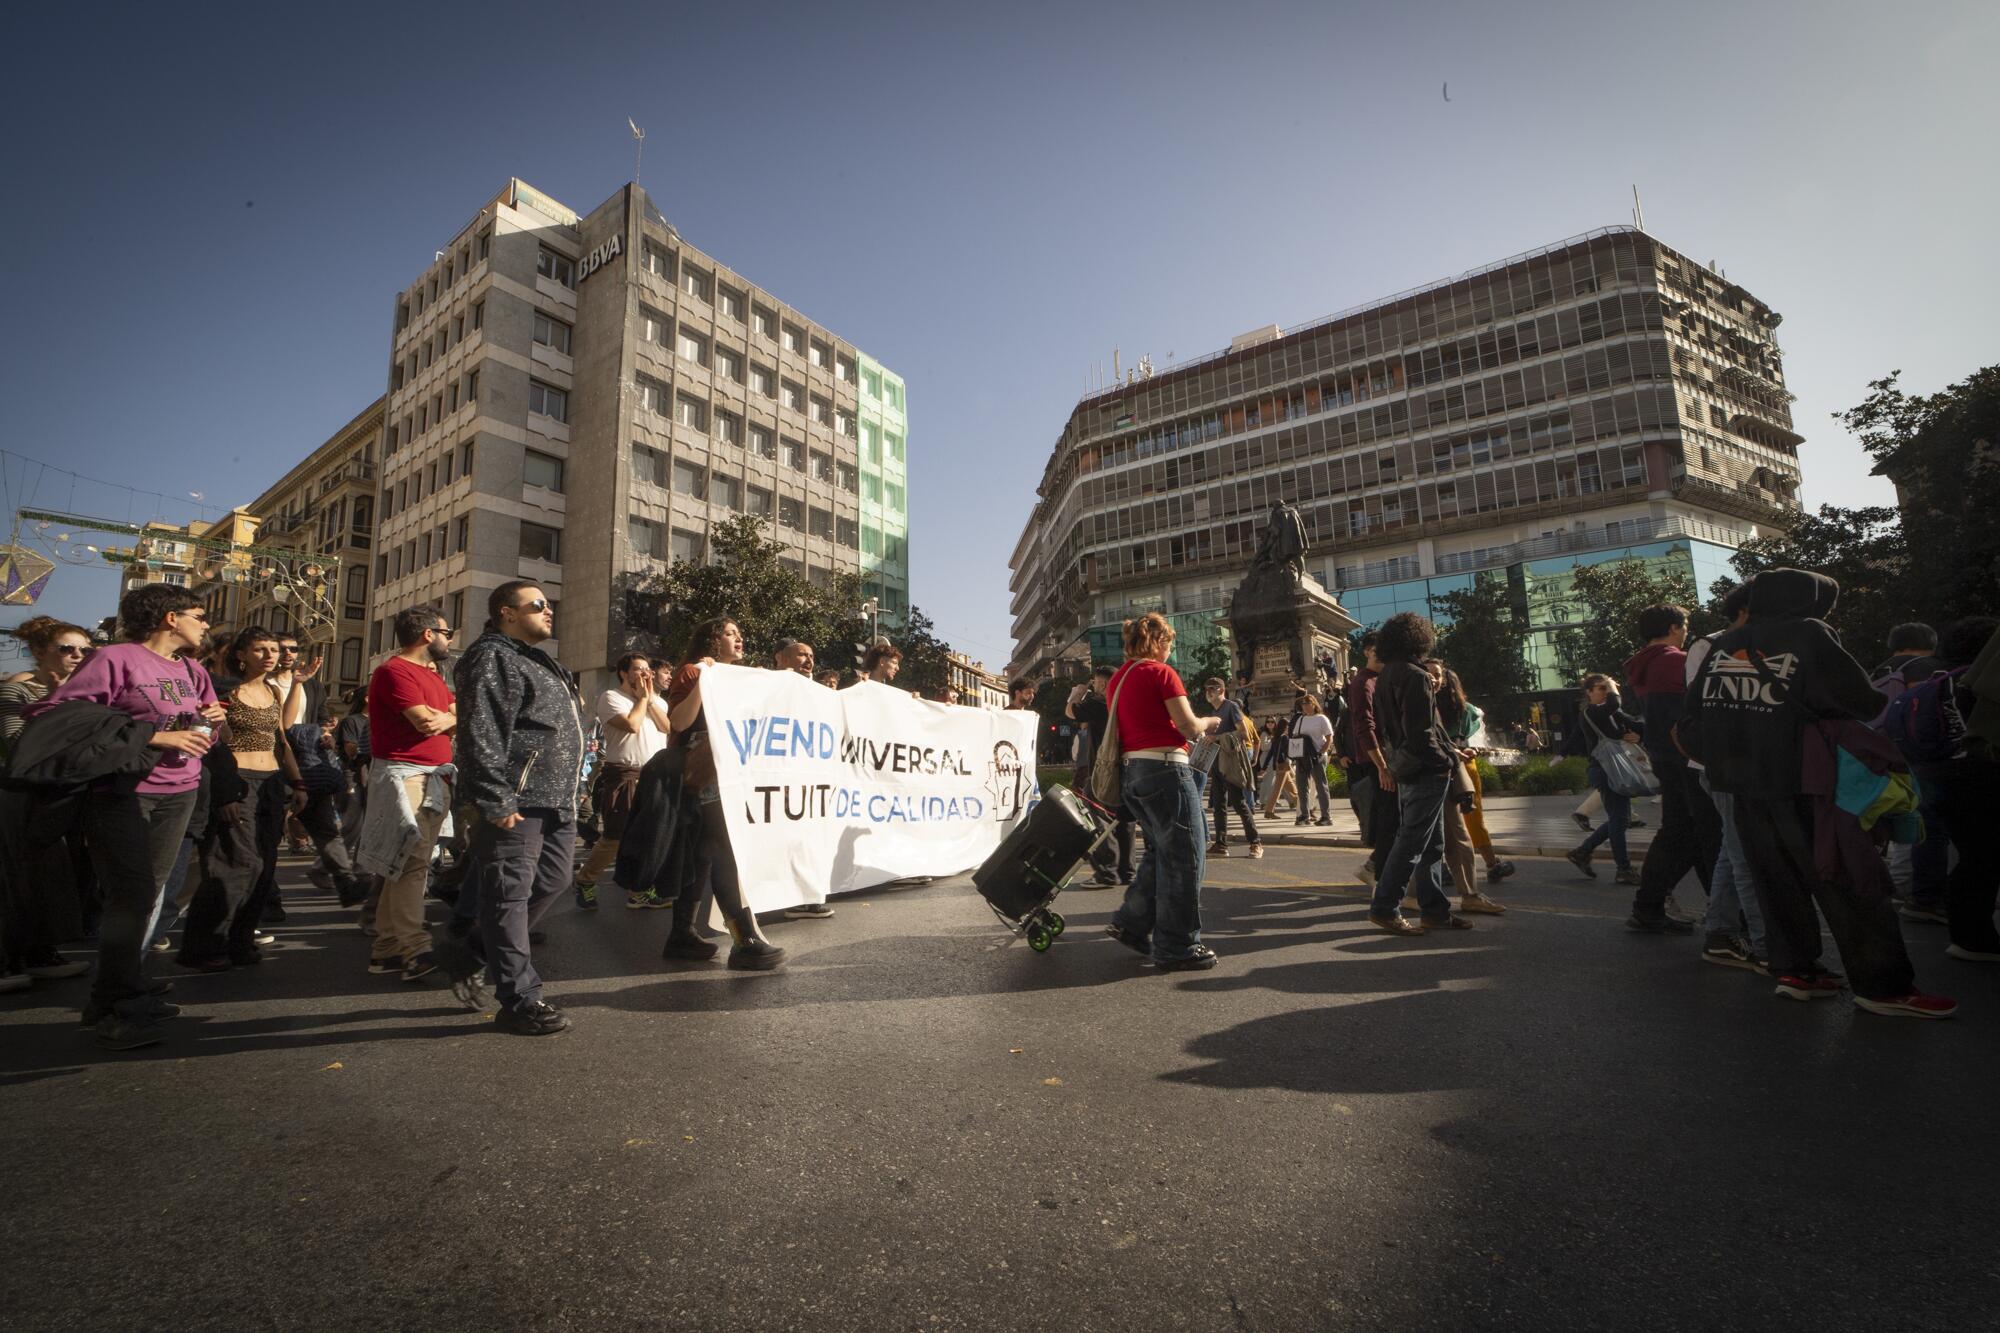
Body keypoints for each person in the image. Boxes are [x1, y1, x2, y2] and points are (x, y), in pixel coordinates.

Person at [1683, 567, 1953, 1016]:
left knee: (1776, 884)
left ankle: (1797, 972)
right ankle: (1884, 988)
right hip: (1808, 783)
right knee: (1848, 879)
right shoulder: (1809, 634)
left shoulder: (1725, 644)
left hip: (1745, 788)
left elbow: (1690, 720)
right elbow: (1865, 701)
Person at [43, 584, 223, 1048]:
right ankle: (118, 1005)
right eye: (199, 615)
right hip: (123, 792)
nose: (205, 624)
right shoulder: (115, 659)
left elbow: (199, 734)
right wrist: (156, 738)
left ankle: (114, 994)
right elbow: (64, 715)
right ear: (170, 618)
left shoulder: (193, 669)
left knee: (149, 895)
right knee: (131, 895)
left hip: (180, 792)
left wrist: (210, 724)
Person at [457, 583, 588, 1034]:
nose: (549, 611)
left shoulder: (539, 661)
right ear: (507, 613)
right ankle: (519, 1000)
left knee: (554, 880)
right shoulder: (492, 656)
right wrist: (496, 795)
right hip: (518, 800)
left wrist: (579, 789)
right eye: (538, 605)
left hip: (558, 800)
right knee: (509, 896)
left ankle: (477, 944)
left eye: (550, 604)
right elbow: (481, 729)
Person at [178, 627, 307, 971]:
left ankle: (241, 939)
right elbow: (209, 740)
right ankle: (203, 945)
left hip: (272, 783)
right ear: (241, 655)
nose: (270, 656)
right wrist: (223, 789)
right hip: (236, 782)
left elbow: (281, 739)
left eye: (274, 650)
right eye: (260, 649)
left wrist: (297, 782)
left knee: (263, 867)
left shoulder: (272, 693)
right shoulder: (224, 692)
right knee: (234, 863)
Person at [665, 617, 786, 971]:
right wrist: (705, 679)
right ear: (712, 639)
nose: (740, 639)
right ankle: (744, 939)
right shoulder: (692, 671)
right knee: (725, 853)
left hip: (729, 777)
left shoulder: (736, 678)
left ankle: (681, 934)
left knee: (703, 856)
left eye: (740, 634)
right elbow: (679, 722)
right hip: (705, 779)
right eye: (731, 633)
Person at [1102, 613, 1221, 971]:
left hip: (1134, 773)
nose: (1171, 650)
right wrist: (1210, 722)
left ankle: (1132, 922)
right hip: (1167, 770)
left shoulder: (1118, 680)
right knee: (1187, 858)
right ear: (1158, 642)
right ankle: (1177, 945)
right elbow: (1187, 726)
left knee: (1160, 853)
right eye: (1170, 643)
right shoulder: (1160, 673)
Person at [353, 607, 457, 982]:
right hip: (406, 777)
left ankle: (385, 950)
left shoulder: (431, 675)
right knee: (411, 865)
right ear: (428, 634)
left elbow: (452, 712)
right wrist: (445, 718)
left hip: (431, 777)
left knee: (401, 865)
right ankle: (416, 950)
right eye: (448, 631)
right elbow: (427, 722)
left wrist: (446, 717)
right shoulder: (393, 671)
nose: (450, 638)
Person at [0, 616, 99, 987]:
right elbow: (18, 745)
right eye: (67, 648)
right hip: (23, 795)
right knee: (16, 879)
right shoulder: (17, 692)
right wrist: (58, 702)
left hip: (68, 795)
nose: (77, 655)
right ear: (40, 652)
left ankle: (40, 954)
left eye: (84, 650)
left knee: (55, 877)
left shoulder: (86, 693)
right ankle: (7, 962)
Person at [1365, 613, 1472, 936]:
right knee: (1413, 841)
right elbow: (1421, 732)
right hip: (1426, 768)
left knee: (1431, 843)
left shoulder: (1384, 677)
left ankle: (1435, 910)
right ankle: (1385, 906)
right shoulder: (1416, 675)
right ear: (1419, 639)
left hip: (1405, 766)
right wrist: (1444, 760)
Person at [1904, 616, 1999, 965]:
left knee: (1974, 858)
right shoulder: (1983, 684)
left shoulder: (1939, 681)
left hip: (1937, 775)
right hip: (1981, 776)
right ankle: (1973, 936)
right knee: (1982, 858)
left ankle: (1968, 933)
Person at [1687, 580, 1769, 971]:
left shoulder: (1767, 640)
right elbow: (1704, 710)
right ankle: (1766, 947)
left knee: (1732, 851)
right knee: (1744, 857)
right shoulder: (1712, 645)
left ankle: (1720, 933)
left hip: (1746, 766)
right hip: (1725, 766)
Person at [1623, 605, 1719, 933]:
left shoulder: (1642, 665)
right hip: (1688, 758)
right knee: (1705, 834)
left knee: (1680, 831)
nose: (1687, 632)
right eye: (1685, 626)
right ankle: (1726, 918)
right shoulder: (1677, 661)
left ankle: (1650, 904)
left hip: (1664, 756)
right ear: (1674, 627)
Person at [575, 653, 670, 911]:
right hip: (625, 775)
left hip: (654, 776)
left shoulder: (657, 701)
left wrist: (649, 701)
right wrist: (641, 700)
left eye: (647, 669)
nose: (645, 674)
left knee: (650, 836)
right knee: (616, 836)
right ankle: (585, 880)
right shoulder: (611, 698)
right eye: (638, 670)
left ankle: (638, 890)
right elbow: (632, 725)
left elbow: (666, 728)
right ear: (623, 673)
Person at [1871, 623, 1948, 922]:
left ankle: (1893, 882)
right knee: (1918, 819)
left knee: (1891, 815)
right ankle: (1911, 887)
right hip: (1914, 752)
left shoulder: (1880, 669)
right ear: (1931, 641)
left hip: (1879, 750)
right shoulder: (1928, 667)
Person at [1428, 661, 1507, 912]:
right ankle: (1491, 863)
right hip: (1463, 767)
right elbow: (1477, 732)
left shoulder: (1427, 705)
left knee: (1442, 825)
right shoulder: (1468, 711)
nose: (1433, 679)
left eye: (1437, 675)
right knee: (1470, 820)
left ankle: (1443, 872)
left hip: (1440, 768)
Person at [1562, 675, 1645, 885]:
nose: (1606, 692)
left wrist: (1638, 736)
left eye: (1607, 688)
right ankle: (1623, 869)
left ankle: (1583, 852)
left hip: (1616, 769)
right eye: (1601, 688)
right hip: (1604, 770)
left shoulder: (1611, 712)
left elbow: (1636, 724)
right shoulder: (1591, 712)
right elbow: (1614, 703)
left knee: (1621, 818)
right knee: (1619, 819)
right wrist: (1614, 689)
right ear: (1589, 692)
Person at [1069, 665, 1136, 887]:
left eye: (1096, 682)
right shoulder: (1124, 702)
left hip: (1102, 769)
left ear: (1103, 684)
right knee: (1123, 819)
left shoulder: (1099, 701)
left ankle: (1106, 871)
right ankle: (1127, 871)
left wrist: (1077, 694)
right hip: (1125, 766)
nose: (1094, 685)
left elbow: (1071, 712)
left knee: (1096, 815)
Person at [1346, 633, 1400, 883]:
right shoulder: (1362, 683)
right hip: (1376, 762)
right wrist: (1381, 765)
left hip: (1389, 759)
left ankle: (1377, 869)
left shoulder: (1383, 680)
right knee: (1391, 821)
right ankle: (1381, 877)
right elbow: (1364, 726)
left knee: (1395, 819)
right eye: (1380, 650)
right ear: (1368, 651)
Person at [1201, 677, 1262, 859]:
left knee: (1238, 802)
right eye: (1206, 689)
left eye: (1211, 689)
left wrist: (1217, 738)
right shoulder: (1215, 711)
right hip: (1217, 761)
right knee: (1219, 804)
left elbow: (1243, 733)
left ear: (1221, 690)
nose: (1207, 692)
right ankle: (1221, 844)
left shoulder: (1231, 707)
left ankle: (1256, 842)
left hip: (1232, 762)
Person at [1288, 694, 1334, 826]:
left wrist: (1322, 752)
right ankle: (1304, 815)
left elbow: (1329, 737)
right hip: (1303, 757)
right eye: (1303, 704)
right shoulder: (1301, 719)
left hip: (1317, 756)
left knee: (1321, 786)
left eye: (1307, 703)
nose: (1305, 706)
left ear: (1314, 704)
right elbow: (1295, 735)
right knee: (1302, 786)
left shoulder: (1321, 719)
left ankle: (1326, 816)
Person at [1259, 712, 1299, 816]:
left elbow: (1270, 754)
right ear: (1285, 727)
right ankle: (1269, 811)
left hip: (1278, 766)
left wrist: (1264, 768)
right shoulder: (1284, 737)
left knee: (1292, 789)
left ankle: (1303, 807)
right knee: (1277, 789)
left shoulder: (1275, 737)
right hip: (1283, 766)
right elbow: (1288, 753)